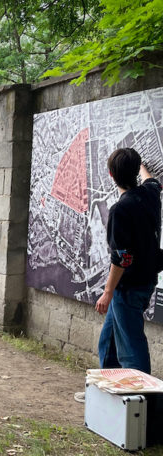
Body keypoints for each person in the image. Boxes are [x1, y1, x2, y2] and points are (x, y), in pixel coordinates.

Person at [96, 148, 161, 374]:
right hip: (145, 280)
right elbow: (151, 181)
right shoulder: (150, 195)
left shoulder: (120, 210)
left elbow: (122, 258)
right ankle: (108, 386)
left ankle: (142, 393)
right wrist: (140, 166)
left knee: (131, 351)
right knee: (108, 344)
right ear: (134, 172)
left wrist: (107, 292)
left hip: (128, 288)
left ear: (111, 175)